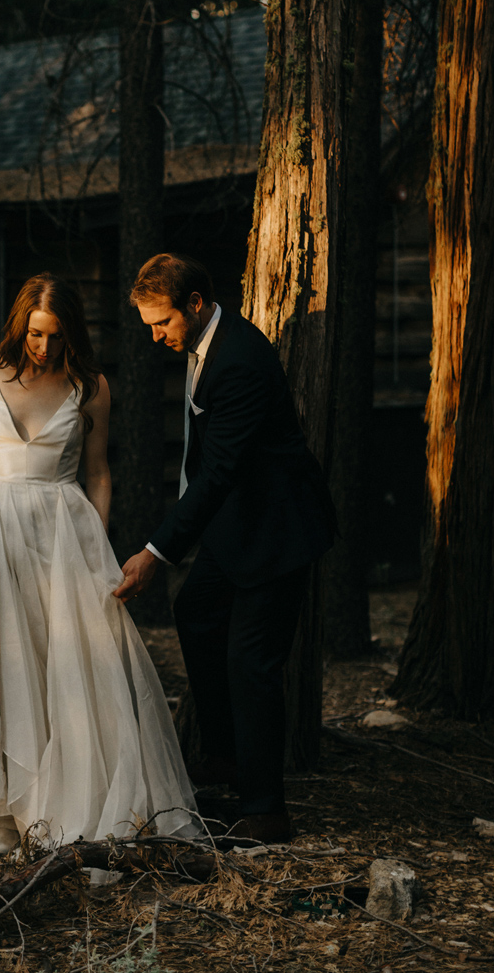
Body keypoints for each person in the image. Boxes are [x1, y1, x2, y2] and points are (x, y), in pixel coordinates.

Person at [0, 273, 198, 857]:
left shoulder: (91, 387)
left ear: (70, 334)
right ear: (20, 326)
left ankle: (58, 801)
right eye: (35, 333)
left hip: (59, 535)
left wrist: (97, 544)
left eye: (54, 336)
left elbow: (99, 474)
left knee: (56, 665)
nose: (42, 347)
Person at [114, 253, 335, 848]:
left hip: (276, 530)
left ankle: (265, 811)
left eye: (161, 323)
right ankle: (223, 757)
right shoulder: (202, 346)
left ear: (195, 302)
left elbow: (219, 473)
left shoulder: (238, 359)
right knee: (196, 613)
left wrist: (156, 552)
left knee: (251, 662)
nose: (156, 337)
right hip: (234, 527)